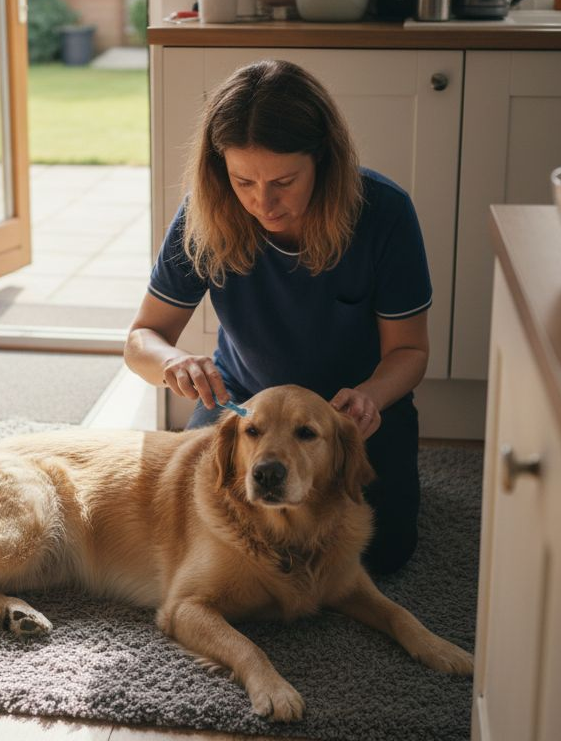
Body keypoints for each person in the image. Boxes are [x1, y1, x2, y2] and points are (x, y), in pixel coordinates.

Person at [123, 60, 434, 576]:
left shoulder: (384, 213)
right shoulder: (205, 212)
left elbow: (410, 351)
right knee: (204, 533)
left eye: (284, 182)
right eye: (243, 181)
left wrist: (371, 396)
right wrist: (173, 363)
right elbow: (142, 338)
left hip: (355, 417)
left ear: (323, 161)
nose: (262, 202)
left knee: (381, 552)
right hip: (247, 413)